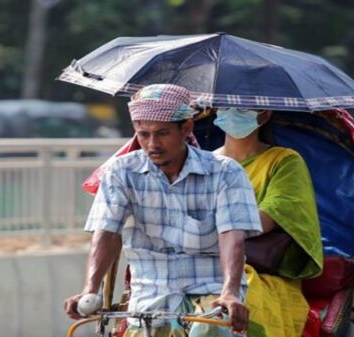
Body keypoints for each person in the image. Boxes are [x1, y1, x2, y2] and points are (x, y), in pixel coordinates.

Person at [64, 84, 263, 337]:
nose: (152, 144)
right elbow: (107, 232)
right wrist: (90, 290)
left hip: (210, 291)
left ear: (186, 128)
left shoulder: (225, 172)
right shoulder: (121, 171)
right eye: (143, 134)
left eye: (162, 133)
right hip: (149, 295)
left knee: (207, 332)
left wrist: (230, 292)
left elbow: (231, 236)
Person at [212, 108, 324, 337]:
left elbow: (261, 221)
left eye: (242, 108)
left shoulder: (285, 162)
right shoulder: (204, 163)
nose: (232, 112)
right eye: (226, 105)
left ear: (264, 115)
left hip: (259, 273)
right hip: (200, 265)